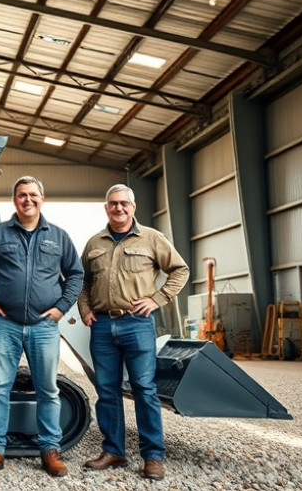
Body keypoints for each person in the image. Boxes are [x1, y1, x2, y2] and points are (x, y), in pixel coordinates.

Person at [0, 175, 84, 478]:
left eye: (33, 195)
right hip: (5, 324)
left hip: (44, 327)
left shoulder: (58, 237)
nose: (27, 200)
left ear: (42, 199)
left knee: (48, 390)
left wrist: (61, 308)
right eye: (21, 195)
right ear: (14, 199)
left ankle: (50, 450)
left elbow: (76, 274)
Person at [77, 183, 189, 481]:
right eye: (113, 203)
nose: (119, 208)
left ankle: (153, 456)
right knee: (107, 391)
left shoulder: (152, 239)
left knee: (144, 389)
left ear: (133, 207)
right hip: (101, 326)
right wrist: (85, 308)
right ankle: (113, 451)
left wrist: (156, 299)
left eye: (124, 203)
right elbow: (83, 282)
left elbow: (180, 270)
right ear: (106, 207)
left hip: (136, 324)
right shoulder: (94, 243)